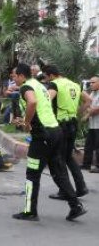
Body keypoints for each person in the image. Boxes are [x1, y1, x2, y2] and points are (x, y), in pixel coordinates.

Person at [11, 63, 86, 221]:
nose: (13, 78)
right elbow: (41, 109)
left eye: (14, 76)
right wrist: (24, 120)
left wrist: (26, 124)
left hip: (42, 136)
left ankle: (30, 211)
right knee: (58, 171)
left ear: (21, 76)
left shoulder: (26, 87)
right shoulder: (40, 85)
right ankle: (76, 206)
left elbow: (32, 103)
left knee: (32, 173)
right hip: (56, 132)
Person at [43, 65, 89, 200]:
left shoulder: (54, 84)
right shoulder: (74, 84)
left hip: (60, 125)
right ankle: (81, 187)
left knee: (59, 158)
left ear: (51, 75)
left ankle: (65, 191)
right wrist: (76, 113)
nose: (46, 81)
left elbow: (46, 101)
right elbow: (88, 100)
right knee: (68, 156)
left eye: (45, 77)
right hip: (73, 123)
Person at [82, 76, 99, 172]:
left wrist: (86, 115)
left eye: (93, 82)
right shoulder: (93, 93)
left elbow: (96, 109)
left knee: (98, 146)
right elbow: (88, 105)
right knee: (88, 145)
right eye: (90, 82)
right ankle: (86, 164)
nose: (91, 84)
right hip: (92, 125)